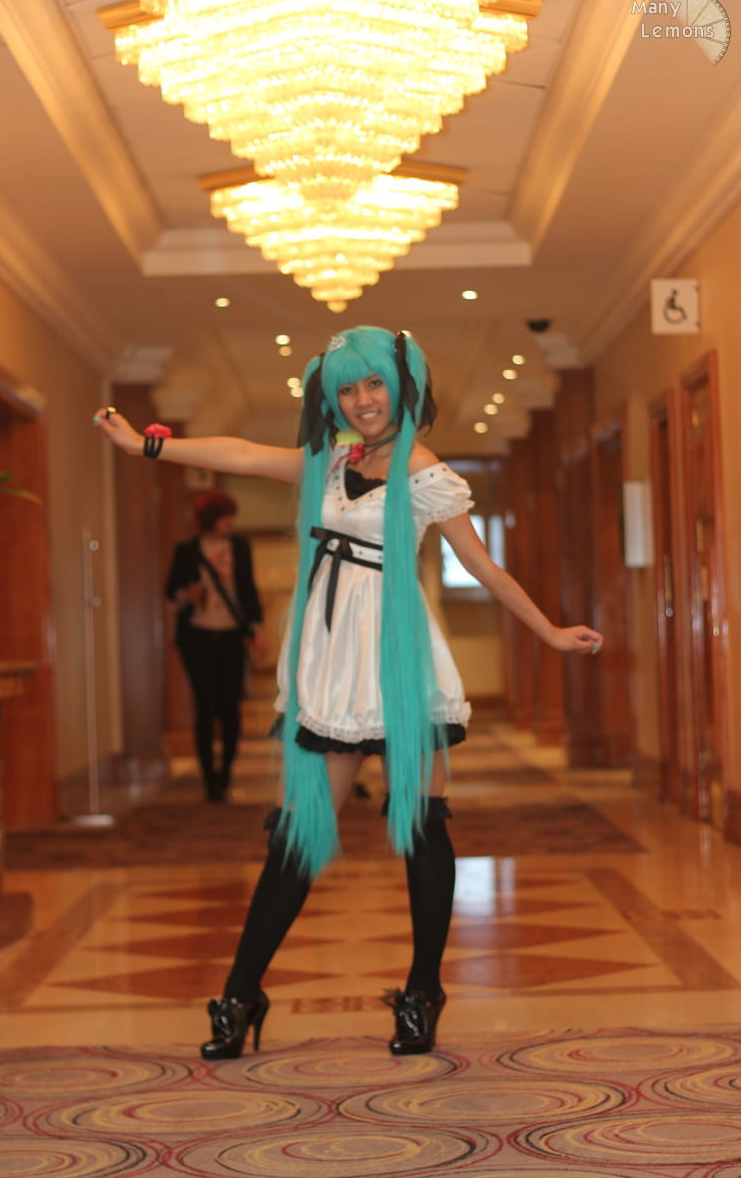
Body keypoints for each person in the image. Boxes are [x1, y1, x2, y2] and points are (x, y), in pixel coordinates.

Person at [94, 325, 603, 1059]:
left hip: (399, 658)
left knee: (421, 826)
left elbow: (483, 567)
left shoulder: (425, 472)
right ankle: (242, 992)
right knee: (299, 833)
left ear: (401, 387)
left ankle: (422, 992)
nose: (362, 400)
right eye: (347, 388)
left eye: (374, 384)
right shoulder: (331, 460)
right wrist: (146, 446)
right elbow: (242, 454)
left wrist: (550, 632)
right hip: (333, 662)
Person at [165, 489, 263, 803]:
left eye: (231, 516)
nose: (230, 522)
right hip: (197, 636)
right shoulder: (186, 550)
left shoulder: (240, 547)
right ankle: (210, 779)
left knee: (231, 708)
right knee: (205, 706)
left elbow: (248, 589)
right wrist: (187, 595)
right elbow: (170, 593)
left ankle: (226, 772)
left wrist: (256, 628)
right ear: (210, 519)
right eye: (224, 516)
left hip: (232, 634)